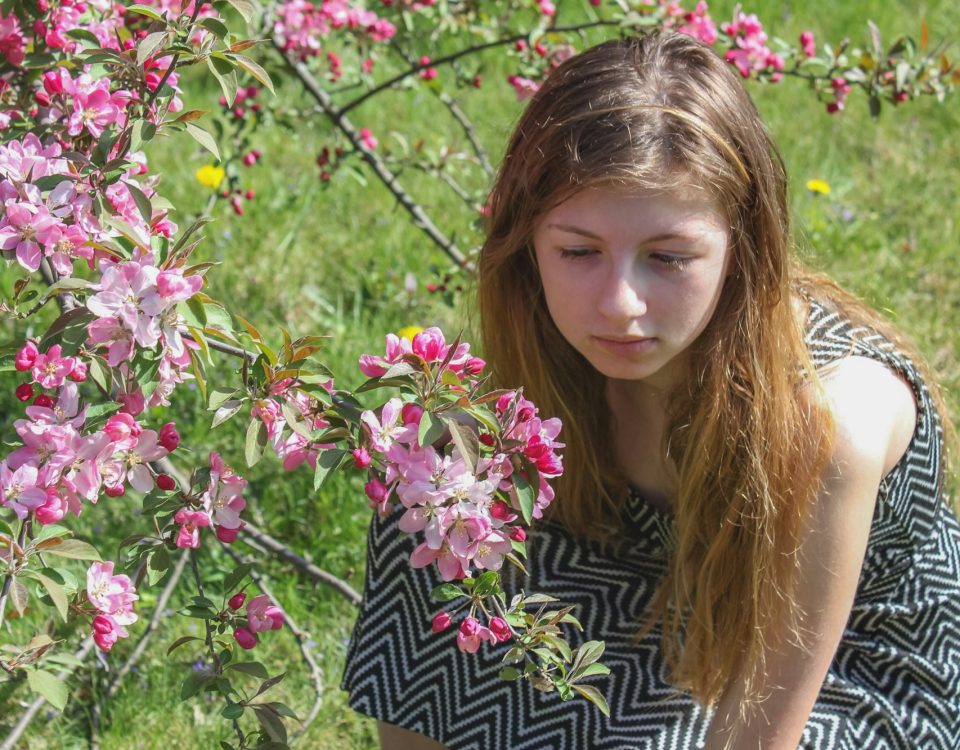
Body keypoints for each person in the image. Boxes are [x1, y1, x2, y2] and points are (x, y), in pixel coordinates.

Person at [341, 31, 960, 749]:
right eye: (578, 252)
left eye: (668, 258)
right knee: (431, 489)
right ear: (526, 243)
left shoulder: (830, 419)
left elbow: (758, 735)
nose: (620, 304)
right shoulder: (546, 364)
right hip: (647, 601)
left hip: (849, 679)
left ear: (741, 246)